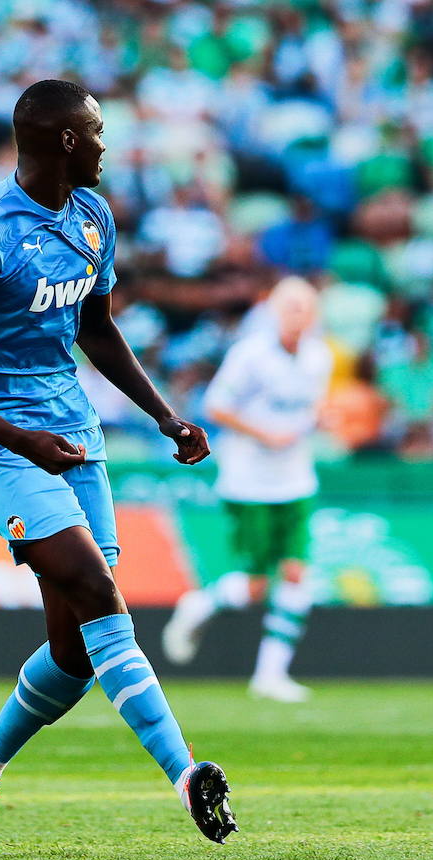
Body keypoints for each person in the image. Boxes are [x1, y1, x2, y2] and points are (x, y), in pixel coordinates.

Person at [0, 79, 238, 857]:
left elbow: (97, 329)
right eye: (94, 131)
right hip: (0, 447)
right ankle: (186, 774)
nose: (104, 144)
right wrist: (20, 442)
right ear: (63, 141)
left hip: (74, 439)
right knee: (98, 591)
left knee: (76, 650)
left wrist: (164, 415)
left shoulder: (91, 217)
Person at [162, 277, 333, 703]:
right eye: (290, 307)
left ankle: (270, 675)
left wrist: (317, 422)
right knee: (255, 585)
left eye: (305, 308)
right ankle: (200, 604)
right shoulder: (251, 355)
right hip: (250, 481)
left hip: (296, 480)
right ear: (275, 311)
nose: (299, 315)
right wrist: (265, 434)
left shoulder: (319, 356)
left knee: (296, 573)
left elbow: (311, 408)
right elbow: (216, 406)